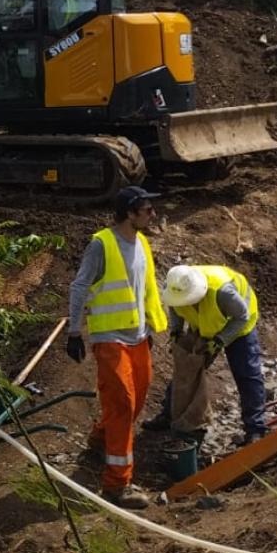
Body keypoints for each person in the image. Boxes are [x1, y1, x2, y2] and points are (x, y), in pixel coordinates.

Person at [66, 185, 168, 510]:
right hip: (109, 337)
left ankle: (99, 440)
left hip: (138, 337)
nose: (153, 214)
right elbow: (80, 285)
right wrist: (73, 331)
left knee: (137, 400)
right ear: (129, 213)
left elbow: (146, 288)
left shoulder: (143, 244)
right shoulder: (102, 244)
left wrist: (151, 326)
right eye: (147, 210)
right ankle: (117, 484)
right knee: (122, 403)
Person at [145, 264, 268, 446]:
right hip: (205, 325)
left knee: (247, 375)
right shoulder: (173, 288)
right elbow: (174, 308)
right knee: (186, 371)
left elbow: (241, 316)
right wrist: (177, 330)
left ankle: (255, 428)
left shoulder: (222, 292)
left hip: (239, 327)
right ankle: (168, 414)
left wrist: (220, 340)